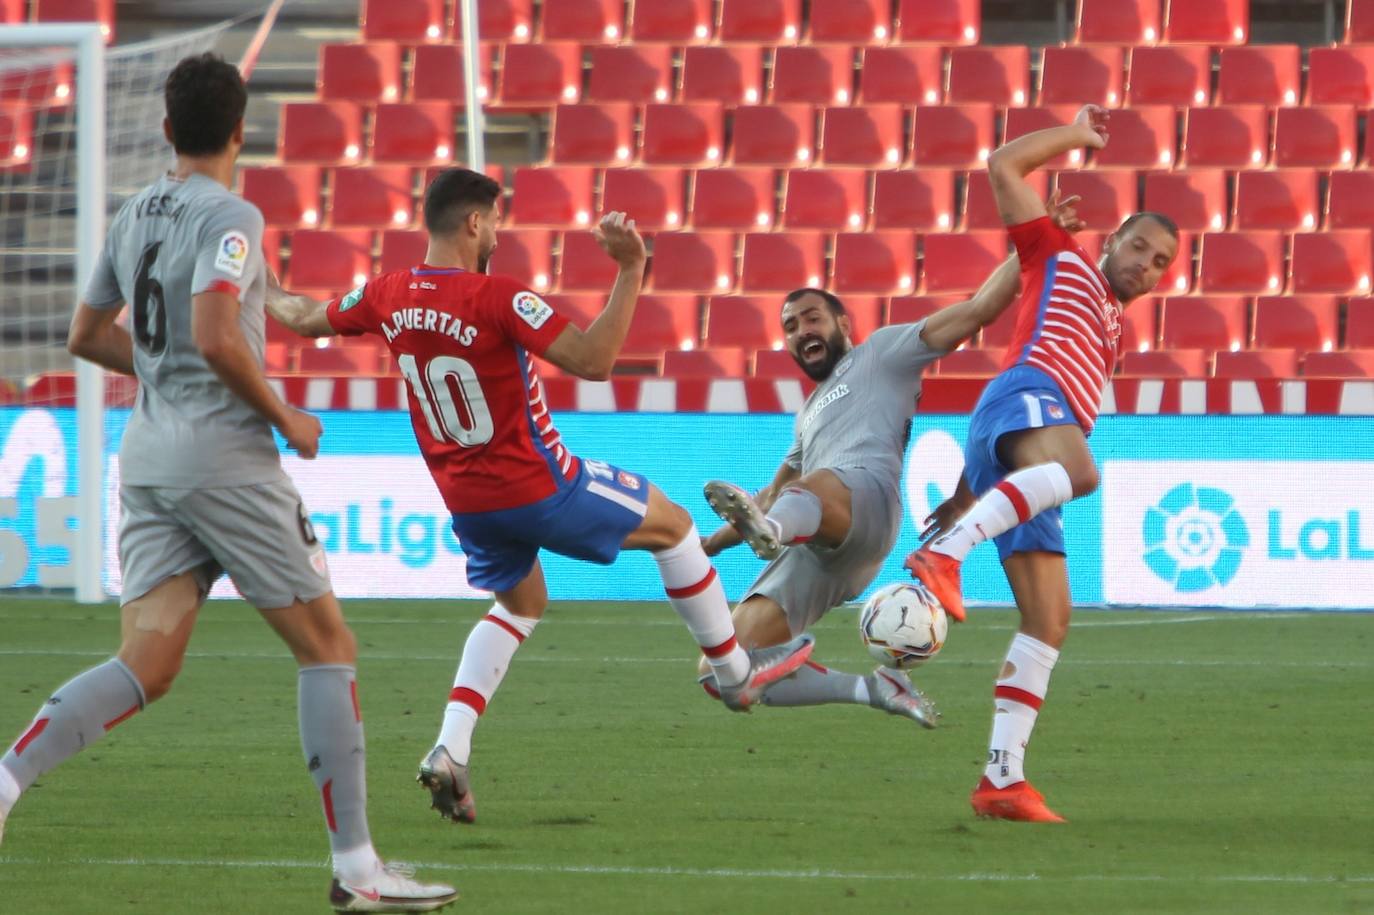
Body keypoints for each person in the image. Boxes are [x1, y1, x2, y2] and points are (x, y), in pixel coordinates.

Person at [0, 54, 457, 911]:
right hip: (226, 463)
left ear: (167, 129)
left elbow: (85, 334)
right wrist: (285, 417)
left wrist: (163, 364)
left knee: (147, 661)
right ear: (242, 130)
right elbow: (215, 333)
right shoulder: (234, 215)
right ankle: (359, 869)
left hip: (149, 459)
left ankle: (3, 782)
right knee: (328, 646)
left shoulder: (134, 211)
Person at [264, 167, 815, 826]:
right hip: (542, 486)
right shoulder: (500, 298)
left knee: (522, 601)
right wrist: (632, 269)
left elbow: (299, 317)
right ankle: (733, 675)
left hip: (465, 499)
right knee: (674, 526)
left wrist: (256, 283)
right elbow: (595, 359)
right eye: (493, 221)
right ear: (473, 223)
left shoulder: (387, 293)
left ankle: (451, 747)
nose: (497, 232)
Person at [697, 194, 1086, 725]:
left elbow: (977, 311)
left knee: (809, 492)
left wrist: (1030, 250)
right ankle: (873, 690)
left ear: (842, 323)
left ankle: (775, 531)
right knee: (722, 671)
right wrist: (704, 544)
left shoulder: (883, 351)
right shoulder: (806, 415)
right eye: (790, 327)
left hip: (864, 500)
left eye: (812, 318)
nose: (801, 331)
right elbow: (768, 493)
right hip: (813, 541)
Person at [904, 105, 1179, 823]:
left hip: (1027, 447)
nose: (1144, 267)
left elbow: (1013, 456)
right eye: (1139, 248)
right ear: (1111, 238)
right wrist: (1079, 138)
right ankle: (943, 557)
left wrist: (970, 489)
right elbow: (1002, 165)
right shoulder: (1058, 255)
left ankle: (1002, 777)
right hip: (1027, 397)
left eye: (1159, 264)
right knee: (1085, 471)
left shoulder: (1112, 324)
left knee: (1050, 617)